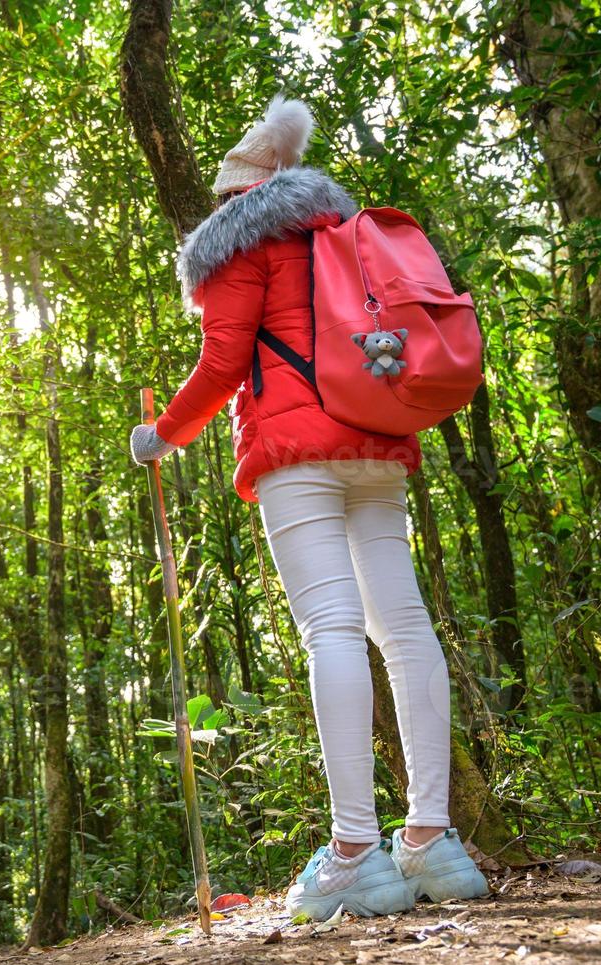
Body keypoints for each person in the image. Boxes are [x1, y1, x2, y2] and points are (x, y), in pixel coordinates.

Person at [128, 96, 489, 920]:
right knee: (403, 629)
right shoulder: (342, 237)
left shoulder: (237, 244)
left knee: (329, 628)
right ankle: (433, 841)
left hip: (296, 457)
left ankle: (355, 851)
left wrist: (161, 434)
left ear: (236, 196)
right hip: (375, 441)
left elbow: (223, 361)